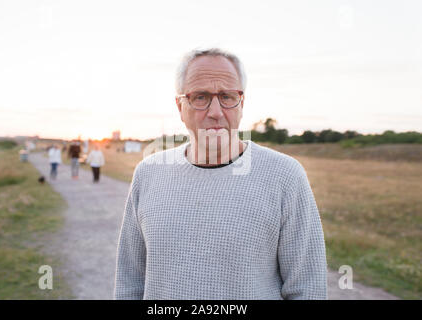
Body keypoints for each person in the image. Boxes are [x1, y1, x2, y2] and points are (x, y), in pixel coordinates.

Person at [114, 48, 327, 300]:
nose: (215, 111)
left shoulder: (285, 176)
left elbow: (308, 289)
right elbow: (129, 282)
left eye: (227, 96)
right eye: (200, 97)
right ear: (180, 106)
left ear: (242, 103)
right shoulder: (148, 174)